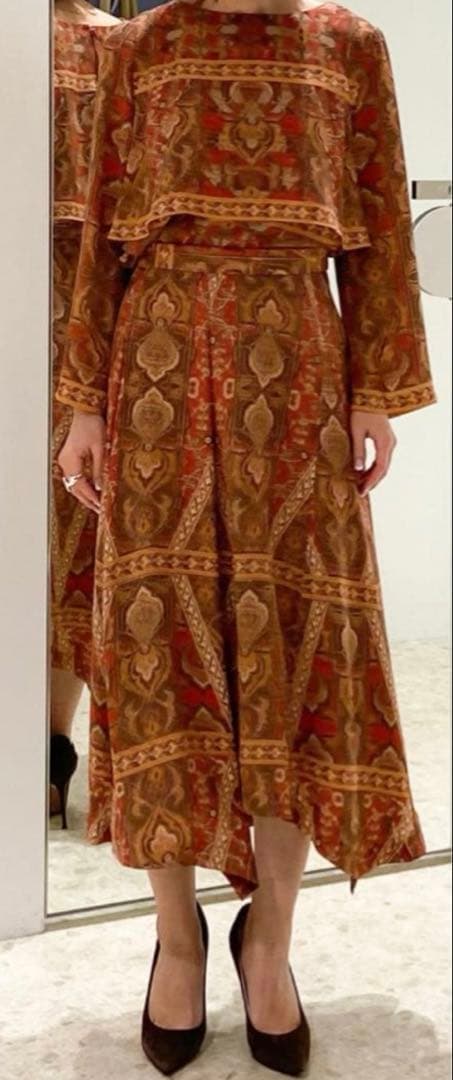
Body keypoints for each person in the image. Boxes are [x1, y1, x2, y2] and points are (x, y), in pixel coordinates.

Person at [56, 0, 437, 1073]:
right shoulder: (143, 45)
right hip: (158, 361)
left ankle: (268, 941)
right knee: (159, 649)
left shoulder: (349, 44)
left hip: (300, 359)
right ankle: (176, 941)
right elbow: (100, 227)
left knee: (300, 647)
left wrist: (375, 389)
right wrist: (82, 403)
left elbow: (378, 218)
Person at [51, 0, 119, 824]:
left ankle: (46, 751)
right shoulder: (119, 45)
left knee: (70, 535)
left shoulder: (119, 45)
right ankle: (49, 751)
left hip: (79, 323)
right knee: (71, 542)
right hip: (89, 318)